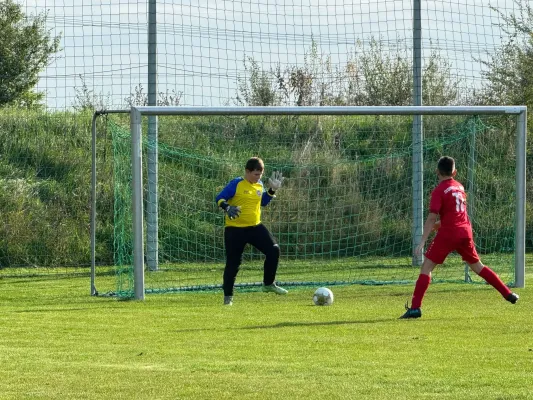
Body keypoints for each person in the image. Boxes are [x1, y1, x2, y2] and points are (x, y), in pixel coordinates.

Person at [400, 156, 519, 319]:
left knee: (426, 268)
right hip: (465, 231)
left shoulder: (438, 191)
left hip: (449, 233)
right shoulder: (460, 187)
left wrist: (422, 241)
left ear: (437, 172)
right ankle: (508, 293)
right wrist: (439, 225)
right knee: (478, 267)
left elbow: (431, 218)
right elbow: (454, 214)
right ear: (454, 172)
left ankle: (415, 308)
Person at [215, 157, 288, 306]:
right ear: (247, 171)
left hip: (255, 227)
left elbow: (263, 202)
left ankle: (268, 284)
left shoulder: (259, 185)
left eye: (260, 175)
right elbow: (219, 198)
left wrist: (272, 190)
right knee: (233, 264)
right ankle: (228, 298)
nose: (258, 178)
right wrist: (227, 207)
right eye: (255, 174)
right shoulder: (236, 184)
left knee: (274, 250)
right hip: (234, 230)